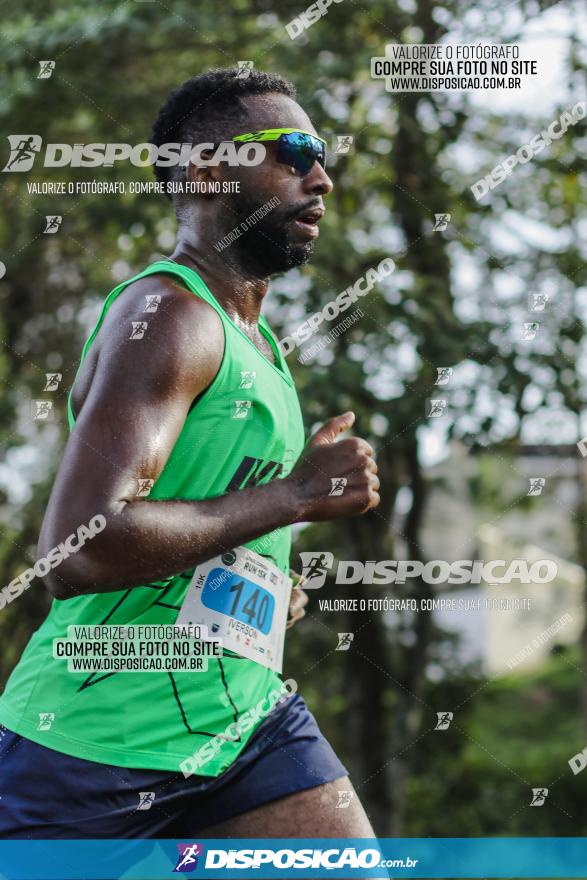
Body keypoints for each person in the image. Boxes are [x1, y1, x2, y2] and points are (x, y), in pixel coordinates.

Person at [0, 68, 380, 840]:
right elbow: (81, 550)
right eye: (292, 151)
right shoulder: (169, 315)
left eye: (320, 153)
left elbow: (201, 524)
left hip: (243, 717)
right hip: (98, 733)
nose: (321, 177)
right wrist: (295, 497)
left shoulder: (259, 345)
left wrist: (264, 588)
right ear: (207, 169)